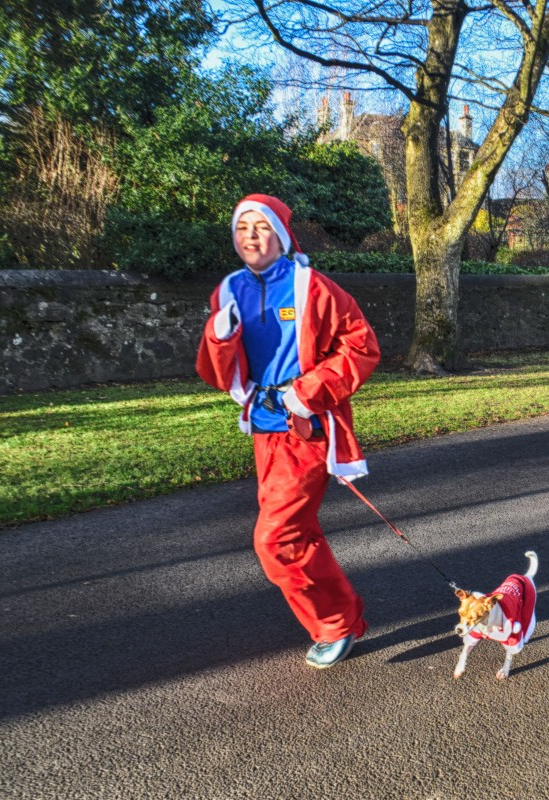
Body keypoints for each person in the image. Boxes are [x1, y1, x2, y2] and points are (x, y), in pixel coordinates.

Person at [196, 194, 380, 669]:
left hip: (306, 429)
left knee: (275, 539)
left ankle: (337, 624)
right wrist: (220, 336)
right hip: (263, 429)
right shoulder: (229, 291)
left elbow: (362, 347)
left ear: (280, 234)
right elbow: (218, 375)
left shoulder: (313, 287)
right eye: (242, 229)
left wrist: (307, 391)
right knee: (295, 530)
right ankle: (341, 615)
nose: (251, 237)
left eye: (260, 227)